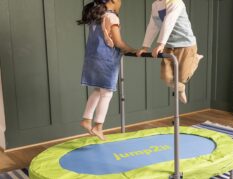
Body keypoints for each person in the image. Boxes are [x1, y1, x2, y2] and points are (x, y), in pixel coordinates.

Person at [77, 0, 135, 140]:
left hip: (92, 58)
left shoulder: (96, 15)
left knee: (98, 90)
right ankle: (98, 126)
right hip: (106, 60)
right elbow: (118, 42)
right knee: (107, 93)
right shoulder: (111, 17)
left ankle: (86, 119)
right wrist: (133, 50)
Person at [137, 0, 203, 104]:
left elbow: (169, 21)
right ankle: (180, 89)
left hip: (185, 44)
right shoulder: (156, 5)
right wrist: (145, 47)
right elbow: (153, 25)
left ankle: (195, 59)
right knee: (166, 77)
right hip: (170, 45)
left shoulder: (176, 2)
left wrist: (160, 44)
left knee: (182, 77)